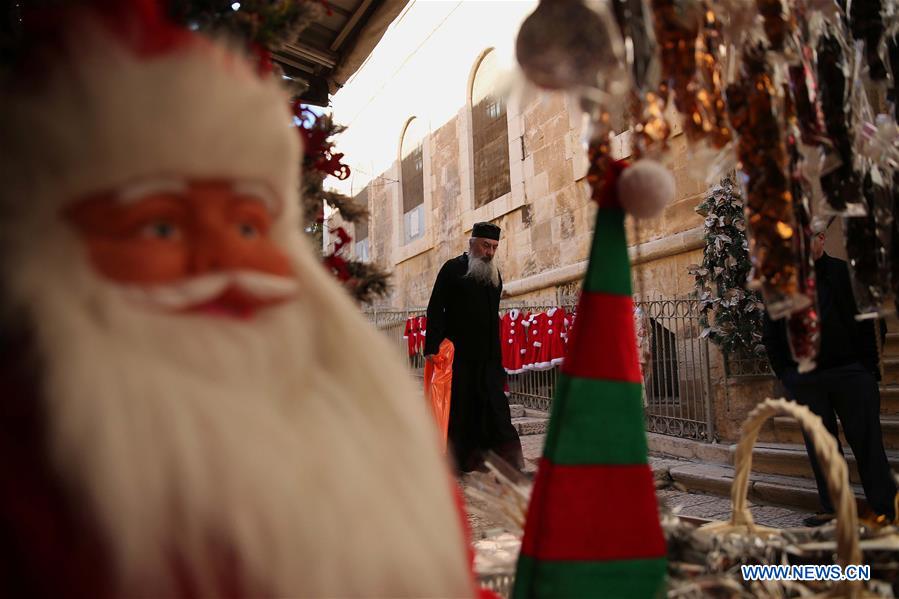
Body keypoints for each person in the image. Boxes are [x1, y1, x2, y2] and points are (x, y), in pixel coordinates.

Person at [0, 5, 478, 597]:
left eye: (250, 227)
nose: (223, 265)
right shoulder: (37, 490)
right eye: (162, 228)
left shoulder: (369, 436)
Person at [762, 216, 896, 527]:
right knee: (822, 448)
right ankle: (835, 509)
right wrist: (787, 374)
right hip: (806, 378)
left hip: (850, 372)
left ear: (822, 239)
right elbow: (771, 331)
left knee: (868, 443)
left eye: (812, 238)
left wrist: (867, 369)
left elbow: (874, 322)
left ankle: (884, 508)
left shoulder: (846, 273)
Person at [424, 223, 524, 473]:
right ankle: (460, 463)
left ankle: (508, 464)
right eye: (486, 246)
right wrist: (433, 345)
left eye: (494, 248)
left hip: (489, 358)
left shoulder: (494, 276)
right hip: (461, 357)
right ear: (472, 244)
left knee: (496, 409)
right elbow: (436, 307)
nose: (490, 252)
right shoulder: (452, 269)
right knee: (462, 409)